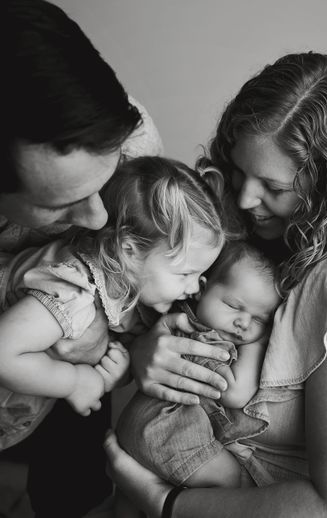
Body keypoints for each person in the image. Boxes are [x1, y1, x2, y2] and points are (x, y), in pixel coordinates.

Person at [104, 51, 327, 518]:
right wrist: (147, 351)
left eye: (274, 187)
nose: (246, 198)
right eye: (240, 171)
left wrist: (165, 505)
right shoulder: (228, 235)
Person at [0, 2, 168, 517]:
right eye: (60, 205)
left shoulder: (131, 140)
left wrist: (142, 344)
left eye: (105, 179)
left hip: (77, 396)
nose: (98, 219)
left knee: (75, 494)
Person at [0, 155, 227, 454]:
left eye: (201, 274)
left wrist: (113, 371)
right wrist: (75, 382)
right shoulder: (72, 291)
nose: (195, 287)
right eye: (186, 273)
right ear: (129, 250)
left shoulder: (125, 290)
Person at [116, 239, 281, 497]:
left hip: (154, 428)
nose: (243, 323)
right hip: (164, 427)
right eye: (234, 306)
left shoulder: (179, 321)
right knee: (231, 481)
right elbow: (235, 393)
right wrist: (259, 341)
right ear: (201, 288)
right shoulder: (207, 339)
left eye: (260, 319)